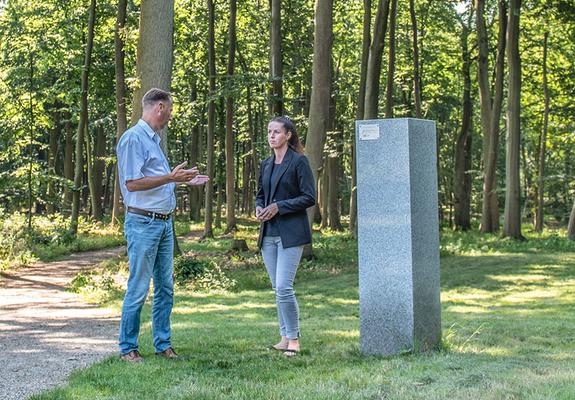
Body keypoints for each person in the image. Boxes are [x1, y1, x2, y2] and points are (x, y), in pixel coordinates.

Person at [116, 88, 209, 362]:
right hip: (143, 222)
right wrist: (170, 178)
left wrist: (181, 180)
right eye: (169, 109)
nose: (169, 115)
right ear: (159, 107)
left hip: (164, 223)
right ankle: (128, 348)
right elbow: (132, 183)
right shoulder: (134, 139)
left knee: (165, 287)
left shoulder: (153, 140)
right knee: (139, 286)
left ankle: (163, 344)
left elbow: (158, 180)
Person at [255, 116, 316, 357]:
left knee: (284, 287)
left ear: (288, 135)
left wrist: (280, 206)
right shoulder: (266, 164)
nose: (271, 136)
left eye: (276, 132)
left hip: (291, 233)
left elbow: (309, 197)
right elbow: (260, 194)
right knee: (277, 288)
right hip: (268, 234)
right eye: (269, 131)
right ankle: (283, 337)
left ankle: (294, 340)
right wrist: (259, 207)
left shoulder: (299, 162)